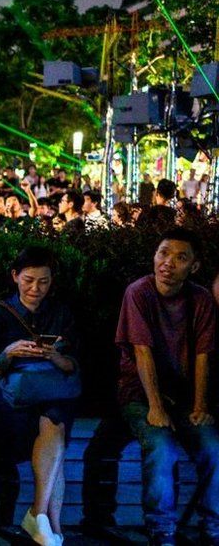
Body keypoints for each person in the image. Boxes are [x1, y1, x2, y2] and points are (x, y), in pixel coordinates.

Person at [115, 228, 218, 546]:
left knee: (214, 448)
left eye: (180, 257)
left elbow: (204, 355)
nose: (168, 262)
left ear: (194, 267)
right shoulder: (138, 292)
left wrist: (201, 406)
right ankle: (162, 529)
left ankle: (213, 525)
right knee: (161, 447)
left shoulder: (200, 299)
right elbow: (141, 352)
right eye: (163, 253)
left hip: (184, 396)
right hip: (139, 393)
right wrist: (156, 408)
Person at [0, 247, 79, 546]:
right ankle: (50, 526)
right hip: (12, 396)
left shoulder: (61, 312)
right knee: (55, 433)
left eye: (44, 281)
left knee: (55, 421)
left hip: (51, 389)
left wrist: (53, 355)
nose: (36, 289)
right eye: (29, 280)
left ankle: (42, 517)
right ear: (15, 277)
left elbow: (72, 366)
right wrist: (8, 354)